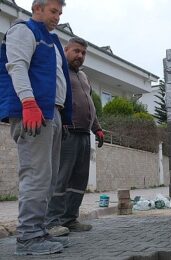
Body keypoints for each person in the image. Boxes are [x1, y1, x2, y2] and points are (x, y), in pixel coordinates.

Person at [0, 0, 72, 255]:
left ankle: (38, 230)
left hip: (50, 113)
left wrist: (65, 116)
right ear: (37, 8)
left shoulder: (51, 41)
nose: (58, 17)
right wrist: (29, 103)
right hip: (34, 113)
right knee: (36, 175)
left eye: (60, 13)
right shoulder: (24, 31)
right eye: (54, 11)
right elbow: (17, 66)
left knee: (47, 178)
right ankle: (28, 237)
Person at [46, 37, 104, 236]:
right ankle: (52, 222)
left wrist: (97, 128)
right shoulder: (58, 71)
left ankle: (70, 219)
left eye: (83, 53)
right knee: (61, 178)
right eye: (76, 51)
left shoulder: (84, 77)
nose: (80, 55)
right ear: (66, 50)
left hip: (84, 134)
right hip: (66, 131)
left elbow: (90, 104)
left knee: (79, 180)